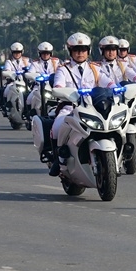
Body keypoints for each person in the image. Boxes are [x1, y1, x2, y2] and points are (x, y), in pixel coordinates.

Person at [48, 32, 104, 175]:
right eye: (76, 50)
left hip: (93, 108)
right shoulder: (63, 69)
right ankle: (59, 158)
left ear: (88, 51)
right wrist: (60, 90)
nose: (80, 53)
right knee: (57, 127)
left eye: (83, 50)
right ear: (70, 51)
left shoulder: (95, 68)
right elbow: (58, 85)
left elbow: (108, 82)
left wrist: (117, 89)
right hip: (70, 108)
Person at [24, 42, 59, 118]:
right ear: (40, 53)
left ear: (51, 53)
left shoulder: (56, 62)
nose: (45, 55)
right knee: (29, 99)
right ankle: (30, 115)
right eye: (43, 53)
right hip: (39, 87)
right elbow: (30, 73)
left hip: (53, 87)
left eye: (47, 53)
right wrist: (35, 76)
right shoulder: (35, 63)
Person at [0, 42, 30, 111]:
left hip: (24, 82)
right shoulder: (9, 62)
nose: (17, 54)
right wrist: (10, 74)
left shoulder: (27, 61)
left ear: (22, 52)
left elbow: (31, 70)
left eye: (19, 52)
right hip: (12, 82)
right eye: (15, 52)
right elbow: (7, 70)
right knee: (7, 91)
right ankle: (7, 104)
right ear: (12, 52)